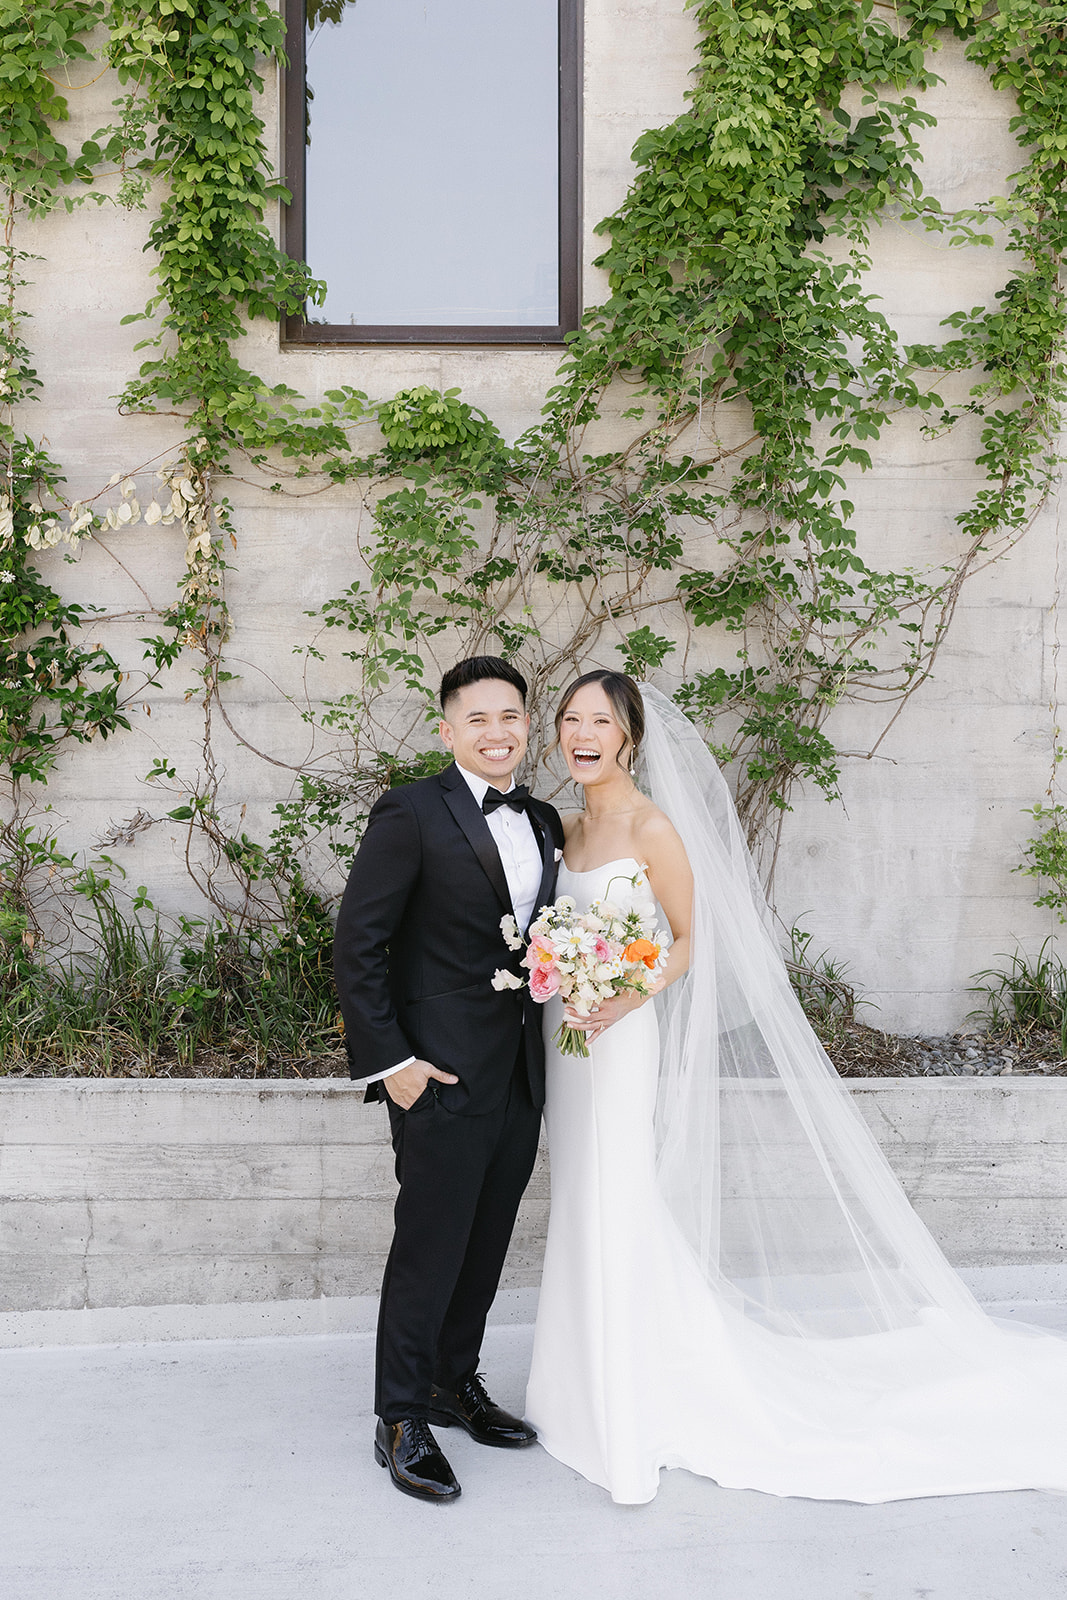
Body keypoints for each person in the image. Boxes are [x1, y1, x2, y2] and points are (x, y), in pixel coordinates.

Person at [525, 668, 1067, 1505]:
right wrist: (564, 971)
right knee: (581, 1197)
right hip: (568, 1041)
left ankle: (629, 1397)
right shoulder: (563, 829)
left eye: (599, 719)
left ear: (630, 736)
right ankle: (576, 1389)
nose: (580, 732)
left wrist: (622, 995)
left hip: (618, 1037)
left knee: (617, 1192)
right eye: (569, 718)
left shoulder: (651, 827)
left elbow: (686, 942)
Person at [333, 655, 564, 1502]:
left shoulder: (542, 819)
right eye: (477, 719)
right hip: (434, 1070)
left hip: (519, 1073)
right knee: (430, 1245)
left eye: (510, 717)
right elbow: (357, 944)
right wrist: (392, 1066)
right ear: (446, 729)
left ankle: (450, 1380)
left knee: (485, 1238)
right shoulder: (410, 812)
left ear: (525, 725)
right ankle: (398, 1415)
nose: (496, 732)